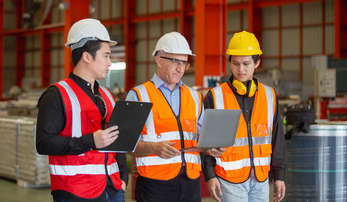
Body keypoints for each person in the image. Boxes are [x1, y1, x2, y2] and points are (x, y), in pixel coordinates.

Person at [36, 18, 128, 202]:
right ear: (87, 56)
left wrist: (123, 177)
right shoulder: (57, 95)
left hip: (113, 188)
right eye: (106, 55)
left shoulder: (107, 95)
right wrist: (89, 141)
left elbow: (115, 140)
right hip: (75, 192)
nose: (110, 62)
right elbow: (44, 143)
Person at [126, 32, 224, 202]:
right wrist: (153, 148)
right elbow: (125, 144)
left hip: (190, 183)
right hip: (154, 185)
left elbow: (200, 138)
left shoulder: (194, 97)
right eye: (175, 61)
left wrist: (210, 147)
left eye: (184, 63)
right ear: (159, 60)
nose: (180, 68)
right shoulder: (139, 95)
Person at [202, 31, 286, 202]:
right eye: (235, 63)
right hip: (229, 180)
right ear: (230, 63)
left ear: (257, 63)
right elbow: (207, 142)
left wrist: (279, 175)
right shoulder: (216, 96)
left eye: (246, 63)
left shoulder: (269, 95)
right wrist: (210, 176)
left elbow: (277, 137)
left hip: (261, 180)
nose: (240, 69)